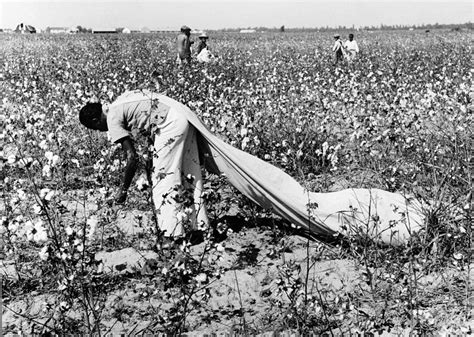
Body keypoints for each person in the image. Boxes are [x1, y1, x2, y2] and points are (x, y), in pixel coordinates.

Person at [79, 89, 424, 246]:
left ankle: (172, 236)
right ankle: (200, 227)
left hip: (170, 123)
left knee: (163, 180)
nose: (102, 132)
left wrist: (122, 191)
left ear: (95, 118)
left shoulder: (110, 117)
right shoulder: (123, 99)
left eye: (95, 128)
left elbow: (133, 158)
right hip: (180, 116)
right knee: (190, 175)